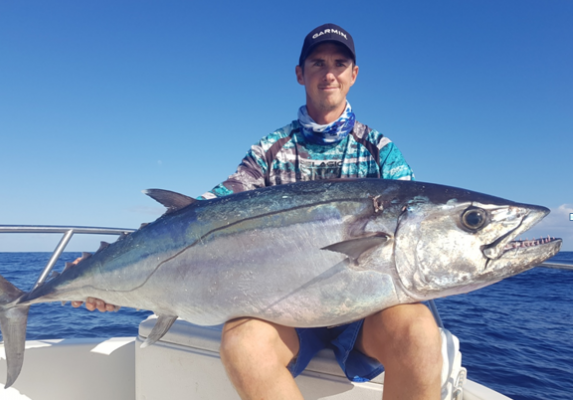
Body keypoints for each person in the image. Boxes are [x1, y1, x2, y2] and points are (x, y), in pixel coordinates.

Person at [74, 23, 443, 400]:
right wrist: (103, 274)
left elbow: (414, 234)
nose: (328, 73)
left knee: (421, 334)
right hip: (285, 307)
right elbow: (208, 214)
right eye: (317, 63)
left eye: (339, 63)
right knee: (242, 344)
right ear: (300, 74)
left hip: (369, 311)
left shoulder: (380, 151)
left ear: (354, 74)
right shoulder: (270, 151)